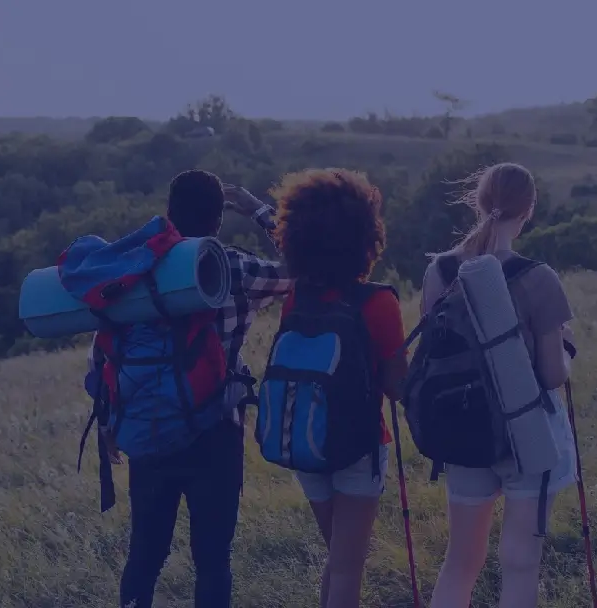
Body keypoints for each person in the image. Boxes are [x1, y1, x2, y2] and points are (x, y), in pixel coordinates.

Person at [86, 169, 293, 608]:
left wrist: (109, 420)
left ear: (169, 213)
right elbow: (305, 269)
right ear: (218, 221)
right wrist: (256, 209)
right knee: (213, 561)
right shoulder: (234, 266)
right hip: (216, 430)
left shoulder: (138, 269)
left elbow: (105, 349)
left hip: (149, 431)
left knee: (144, 557)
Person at [422, 162, 577, 608]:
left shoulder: (440, 272)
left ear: (478, 201)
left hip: (462, 429)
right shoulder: (539, 278)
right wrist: (567, 350)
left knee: (460, 560)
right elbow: (551, 376)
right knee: (520, 560)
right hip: (525, 433)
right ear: (528, 210)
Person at [268, 168, 407, 608]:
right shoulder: (379, 302)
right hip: (359, 448)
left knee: (338, 557)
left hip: (304, 442)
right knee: (348, 567)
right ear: (365, 236)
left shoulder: (296, 297)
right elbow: (396, 386)